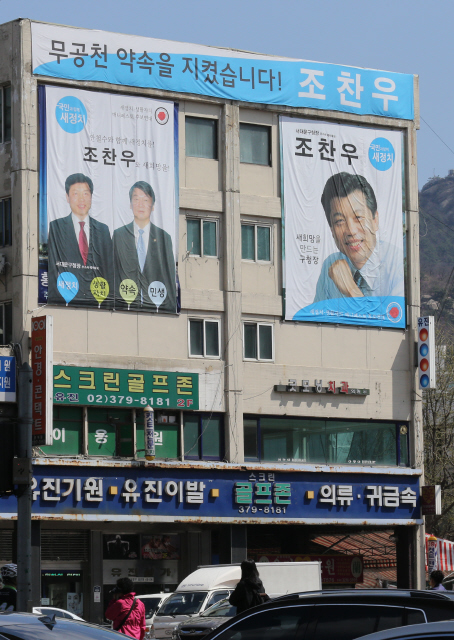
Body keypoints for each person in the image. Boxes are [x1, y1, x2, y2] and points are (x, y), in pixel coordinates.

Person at [313, 172, 404, 303]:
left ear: (375, 220)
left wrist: (351, 289)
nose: (351, 230)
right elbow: (316, 319)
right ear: (332, 230)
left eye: (358, 218)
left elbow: (389, 321)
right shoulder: (330, 264)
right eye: (339, 221)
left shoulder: (397, 264)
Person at [48, 173, 113, 306]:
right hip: (65, 301)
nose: (81, 199)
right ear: (67, 197)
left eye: (85, 193)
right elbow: (52, 268)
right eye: (76, 194)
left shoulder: (103, 230)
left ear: (91, 197)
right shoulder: (56, 227)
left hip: (98, 303)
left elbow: (109, 270)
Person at [113, 181, 176, 313]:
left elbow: (169, 276)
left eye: (146, 200)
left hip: (156, 309)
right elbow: (112, 272)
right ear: (130, 204)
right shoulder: (119, 235)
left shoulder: (164, 238)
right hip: (123, 308)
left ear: (152, 205)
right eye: (136, 199)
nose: (141, 205)